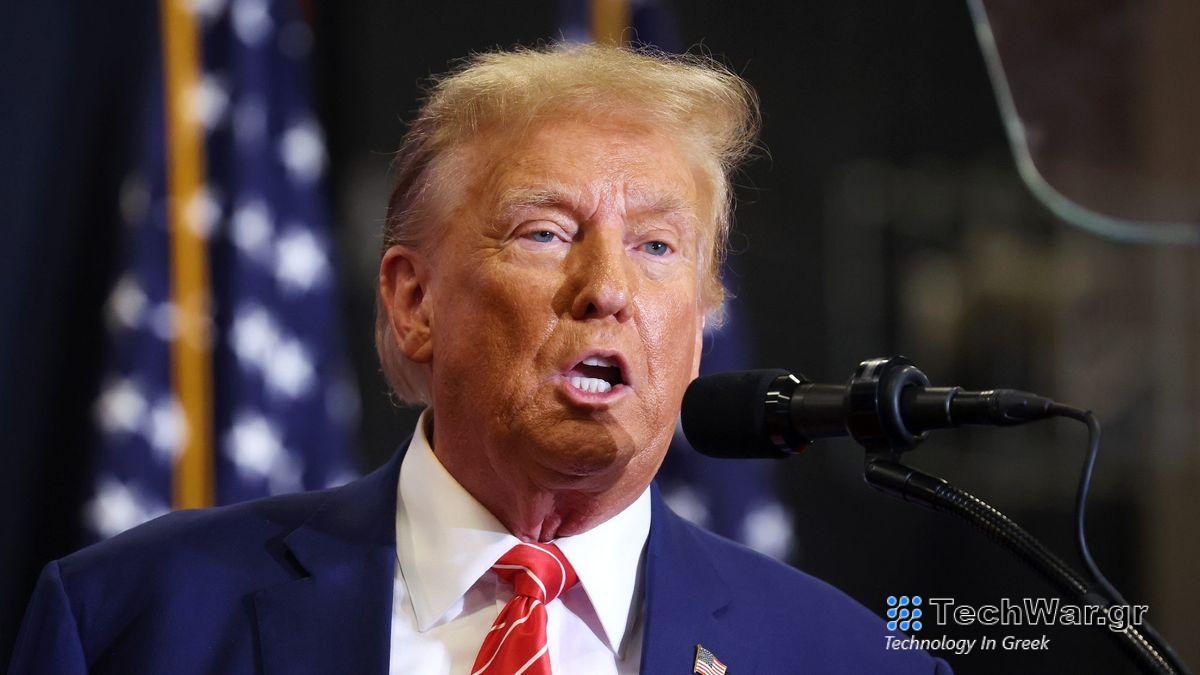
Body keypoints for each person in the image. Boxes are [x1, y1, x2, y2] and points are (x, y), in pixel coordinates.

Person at [10, 44, 950, 674]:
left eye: (659, 248)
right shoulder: (130, 621)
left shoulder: (853, 658)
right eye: (545, 233)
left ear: (699, 328)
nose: (608, 288)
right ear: (414, 302)